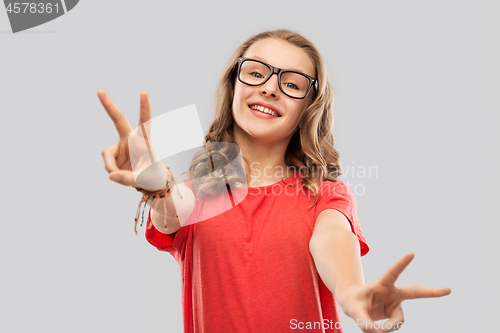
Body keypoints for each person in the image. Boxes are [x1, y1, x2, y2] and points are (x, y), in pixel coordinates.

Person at [99, 29, 451, 333]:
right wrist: (155, 180)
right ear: (234, 85)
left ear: (308, 108)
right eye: (255, 73)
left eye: (292, 84)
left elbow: (332, 238)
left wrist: (350, 292)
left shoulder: (326, 196)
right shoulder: (196, 196)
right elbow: (170, 208)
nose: (270, 88)